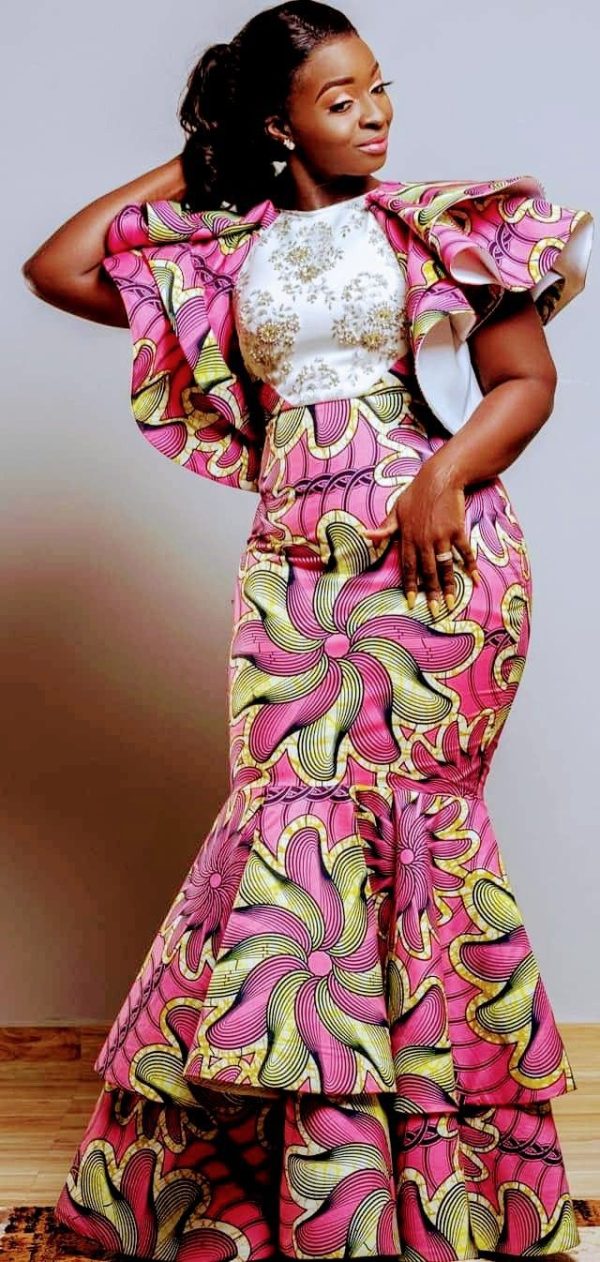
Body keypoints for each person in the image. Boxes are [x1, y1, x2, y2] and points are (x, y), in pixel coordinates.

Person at [22, 3, 594, 1259]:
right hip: (293, 576)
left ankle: (441, 1200)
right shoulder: (224, 256)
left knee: (417, 855)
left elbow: (526, 379)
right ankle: (286, 1203)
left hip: (436, 570)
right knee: (292, 863)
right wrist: (211, 152)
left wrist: (444, 476)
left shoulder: (437, 226)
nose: (376, 113)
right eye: (340, 100)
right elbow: (60, 268)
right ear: (281, 124)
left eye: (377, 87)